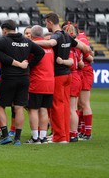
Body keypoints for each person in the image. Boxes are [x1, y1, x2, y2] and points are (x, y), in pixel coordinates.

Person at [0, 20, 45, 145]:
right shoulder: (26, 41)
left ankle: (5, 135)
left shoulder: (5, 40)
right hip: (24, 78)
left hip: (8, 78)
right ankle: (17, 138)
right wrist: (28, 66)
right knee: (19, 107)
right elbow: (40, 52)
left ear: (5, 30)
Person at [35, 13, 90, 143]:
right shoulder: (67, 36)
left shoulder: (57, 36)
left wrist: (32, 42)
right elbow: (84, 47)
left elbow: (50, 43)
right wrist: (88, 54)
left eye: (46, 23)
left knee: (56, 106)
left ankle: (59, 137)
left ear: (49, 22)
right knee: (66, 106)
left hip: (58, 75)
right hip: (68, 75)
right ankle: (65, 135)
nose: (46, 26)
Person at [24, 25, 54, 144]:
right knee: (44, 110)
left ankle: (35, 137)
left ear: (31, 34)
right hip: (49, 82)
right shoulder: (50, 48)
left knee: (33, 110)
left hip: (36, 81)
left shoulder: (32, 47)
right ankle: (43, 137)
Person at [63, 23, 83, 143]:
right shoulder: (77, 48)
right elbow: (80, 63)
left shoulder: (69, 47)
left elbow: (71, 63)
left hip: (71, 76)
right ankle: (74, 133)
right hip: (77, 76)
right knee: (74, 107)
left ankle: (72, 133)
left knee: (71, 108)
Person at [76, 27, 94, 141]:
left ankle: (87, 133)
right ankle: (81, 131)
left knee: (84, 103)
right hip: (81, 72)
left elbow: (90, 57)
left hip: (85, 72)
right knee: (79, 104)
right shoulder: (80, 39)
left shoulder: (80, 39)